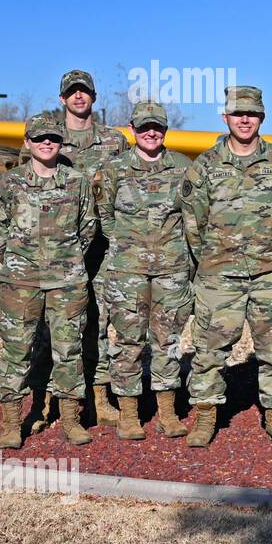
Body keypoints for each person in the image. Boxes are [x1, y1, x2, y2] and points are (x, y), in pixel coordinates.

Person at [180, 86, 272, 446]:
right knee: (209, 348)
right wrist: (215, 257)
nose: (245, 119)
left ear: (262, 117)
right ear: (225, 118)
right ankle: (205, 414)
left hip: (269, 272)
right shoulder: (205, 166)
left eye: (252, 114)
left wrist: (267, 247)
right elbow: (193, 222)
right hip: (219, 273)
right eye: (237, 114)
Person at [0, 112, 97, 449]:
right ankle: (11, 422)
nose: (46, 143)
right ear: (27, 143)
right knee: (17, 352)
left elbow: (88, 227)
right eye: (39, 138)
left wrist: (68, 259)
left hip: (67, 282)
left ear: (61, 142)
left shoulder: (77, 182)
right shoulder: (10, 182)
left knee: (69, 351)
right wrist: (16, 259)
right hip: (21, 283)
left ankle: (71, 420)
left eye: (53, 138)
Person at [96, 101, 194, 440]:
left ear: (165, 130)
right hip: (128, 271)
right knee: (127, 342)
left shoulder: (183, 167)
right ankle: (128, 414)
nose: (150, 132)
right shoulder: (114, 169)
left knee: (167, 342)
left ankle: (167, 412)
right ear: (133, 129)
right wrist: (128, 245)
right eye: (143, 127)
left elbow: (192, 215)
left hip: (171, 269)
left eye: (157, 127)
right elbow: (104, 216)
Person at [54, 69, 129, 426]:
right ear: (62, 99)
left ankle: (99, 396)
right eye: (72, 92)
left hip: (103, 247)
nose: (78, 97)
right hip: (62, 249)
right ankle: (58, 398)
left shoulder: (115, 142)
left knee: (99, 320)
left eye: (84, 91)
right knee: (58, 325)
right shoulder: (50, 139)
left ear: (94, 98)